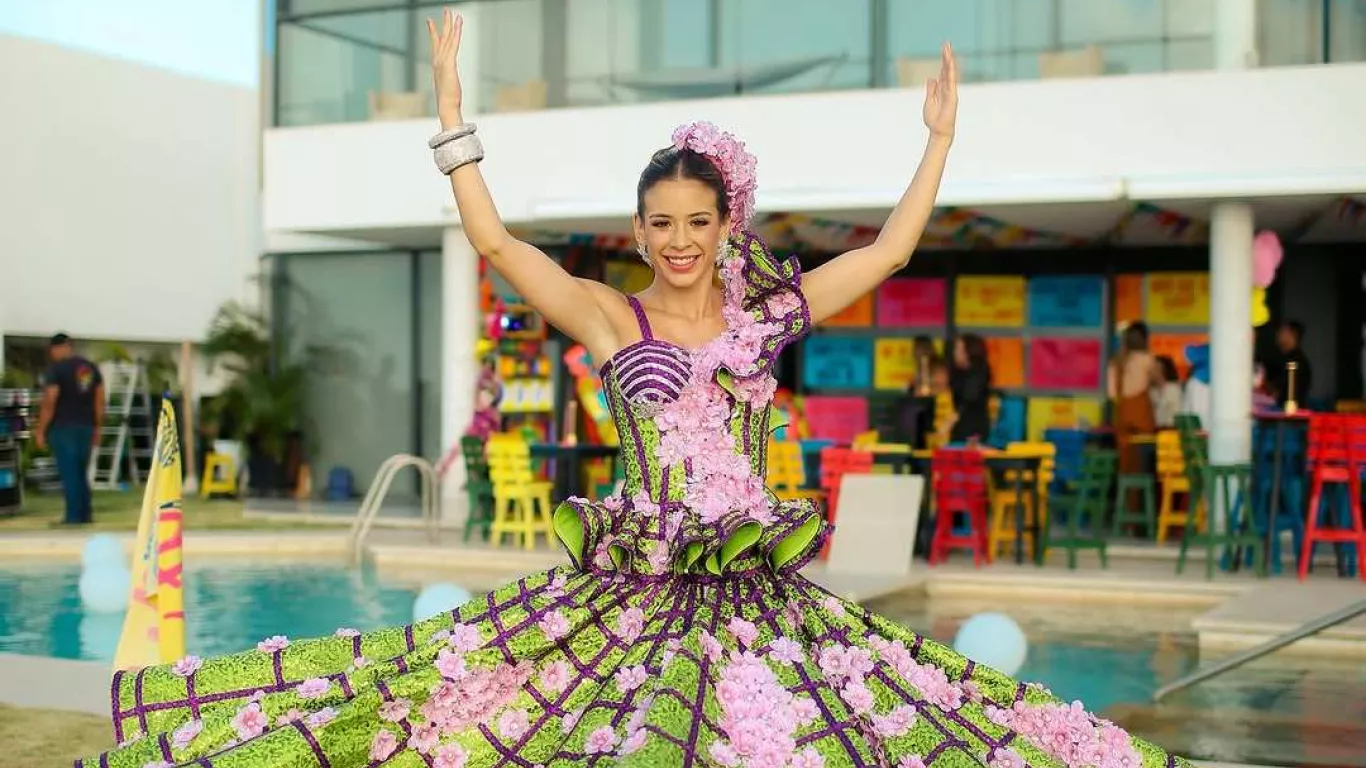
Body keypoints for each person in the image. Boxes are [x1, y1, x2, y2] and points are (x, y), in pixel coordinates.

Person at [78, 11, 1187, 767]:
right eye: (659, 224)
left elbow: (889, 253)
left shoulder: (765, 318)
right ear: (642, 230)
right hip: (635, 587)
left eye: (697, 224)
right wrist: (454, 111)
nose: (678, 242)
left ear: (724, 226)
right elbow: (496, 243)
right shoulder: (612, 316)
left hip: (757, 593)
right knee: (508, 715)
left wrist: (937, 145)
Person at [34, 333, 103, 526]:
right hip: (86, 426)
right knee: (80, 472)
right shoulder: (88, 368)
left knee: (69, 472)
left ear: (58, 348)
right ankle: (85, 514)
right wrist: (98, 427)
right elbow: (99, 399)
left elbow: (50, 399)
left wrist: (41, 429)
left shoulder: (56, 369)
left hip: (64, 427)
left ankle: (73, 517)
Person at [1107, 322, 1160, 475]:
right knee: (1144, 462)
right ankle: (1144, 497)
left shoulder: (1115, 362)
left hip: (1122, 414)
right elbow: (1159, 383)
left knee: (1126, 461)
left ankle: (1127, 496)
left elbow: (1111, 394)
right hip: (1142, 416)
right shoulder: (1147, 359)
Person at [942, 334, 992, 445]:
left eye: (958, 349)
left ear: (968, 353)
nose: (955, 353)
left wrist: (951, 420)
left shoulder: (979, 372)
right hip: (959, 428)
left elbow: (969, 398)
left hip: (974, 427)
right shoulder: (957, 372)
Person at [1267, 319, 1312, 407]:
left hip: (1288, 415)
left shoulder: (1294, 361)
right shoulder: (1284, 358)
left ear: (1293, 334)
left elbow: (1285, 391)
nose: (1278, 334)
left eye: (1282, 331)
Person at [1151, 355, 1182, 429]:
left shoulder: (1173, 389)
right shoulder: (1152, 391)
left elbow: (1176, 413)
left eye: (1155, 368)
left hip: (1171, 430)